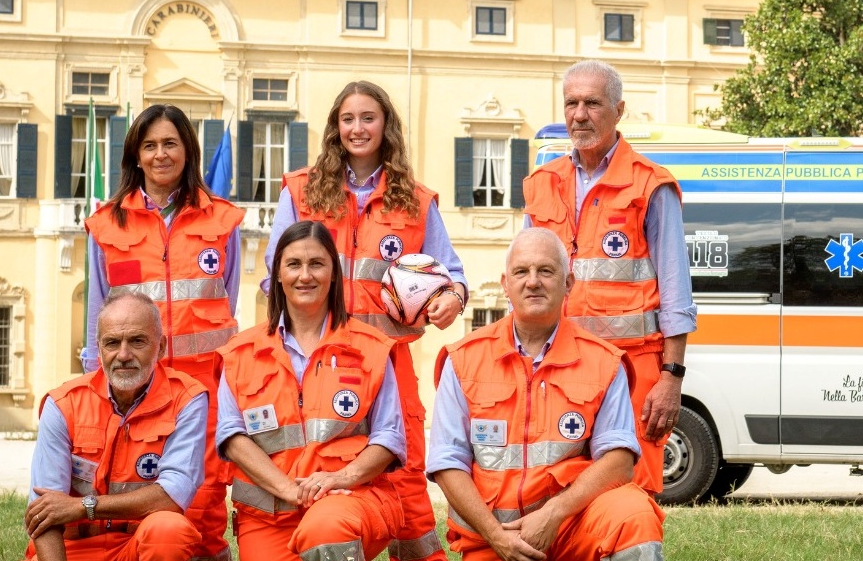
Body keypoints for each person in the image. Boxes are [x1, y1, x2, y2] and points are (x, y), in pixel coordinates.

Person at [263, 80, 466, 561]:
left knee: (406, 476)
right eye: (348, 119)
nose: (358, 128)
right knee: (313, 461)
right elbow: (273, 273)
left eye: (368, 118)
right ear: (335, 127)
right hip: (316, 362)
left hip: (390, 362)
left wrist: (452, 299)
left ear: (386, 125)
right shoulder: (301, 191)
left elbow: (453, 275)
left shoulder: (415, 200)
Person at [427, 228, 665, 560]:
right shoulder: (463, 359)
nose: (533, 282)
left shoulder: (604, 361)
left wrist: (554, 513)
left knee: (634, 514)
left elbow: (619, 460)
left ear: (568, 283)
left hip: (571, 529)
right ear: (505, 284)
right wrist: (497, 538)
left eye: (546, 271)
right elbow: (447, 462)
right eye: (521, 271)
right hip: (492, 540)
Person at [523, 59, 696, 495]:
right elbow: (523, 283)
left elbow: (677, 292)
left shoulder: (650, 185)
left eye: (592, 103)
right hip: (558, 364)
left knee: (630, 489)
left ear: (619, 111)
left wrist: (671, 377)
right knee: (555, 485)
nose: (579, 115)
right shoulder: (541, 183)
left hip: (632, 369)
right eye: (571, 103)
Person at [83, 104, 245, 561]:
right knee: (136, 488)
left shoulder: (222, 221)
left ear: (187, 150)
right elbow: (97, 311)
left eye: (170, 143)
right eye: (150, 145)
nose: (160, 154)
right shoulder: (106, 225)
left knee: (206, 499)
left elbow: (228, 300)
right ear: (136, 155)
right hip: (134, 387)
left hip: (205, 388)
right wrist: (98, 384)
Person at [218, 220, 405, 560]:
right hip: (268, 515)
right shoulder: (240, 353)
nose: (305, 275)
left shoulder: (371, 348)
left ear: (333, 273)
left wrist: (341, 478)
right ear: (277, 274)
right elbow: (232, 437)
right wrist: (289, 490)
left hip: (348, 500)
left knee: (326, 527)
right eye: (294, 264)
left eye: (317, 264)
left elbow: (389, 437)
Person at [25, 291, 208, 561]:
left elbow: (172, 496)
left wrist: (83, 506)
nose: (123, 354)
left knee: (169, 530)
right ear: (99, 349)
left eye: (137, 341)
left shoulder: (187, 399)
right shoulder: (63, 404)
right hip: (75, 550)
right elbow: (45, 511)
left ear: (160, 347)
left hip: (138, 547)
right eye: (112, 343)